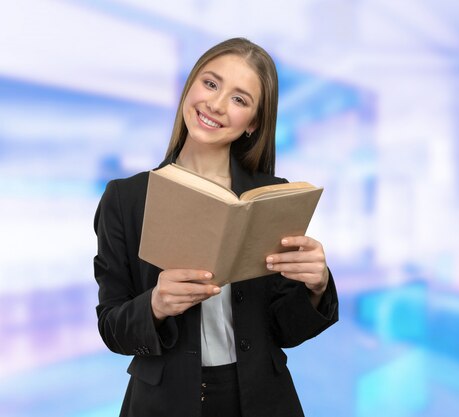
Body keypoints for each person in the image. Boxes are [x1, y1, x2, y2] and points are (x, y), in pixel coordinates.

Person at [93, 37, 339, 417]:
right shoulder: (126, 199)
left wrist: (316, 287)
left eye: (240, 99)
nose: (216, 104)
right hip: (163, 403)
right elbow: (112, 328)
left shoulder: (270, 197)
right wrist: (155, 305)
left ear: (252, 123)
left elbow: (287, 331)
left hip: (262, 399)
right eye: (210, 83)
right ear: (190, 85)